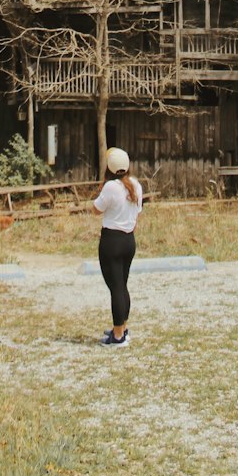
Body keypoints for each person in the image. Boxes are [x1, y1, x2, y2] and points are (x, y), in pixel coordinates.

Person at [92, 146, 143, 347]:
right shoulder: (136, 185)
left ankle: (118, 336)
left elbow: (96, 209)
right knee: (122, 285)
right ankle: (122, 326)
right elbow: (137, 213)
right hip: (129, 240)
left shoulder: (111, 187)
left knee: (116, 288)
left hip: (111, 241)